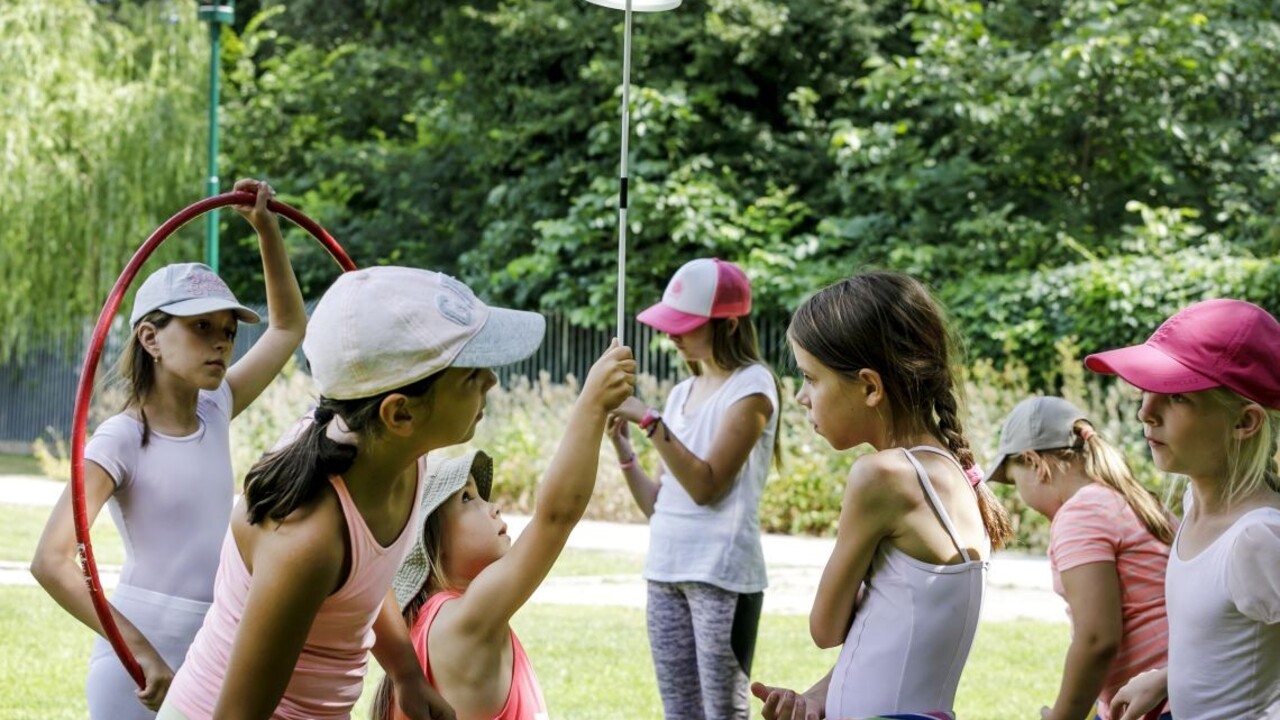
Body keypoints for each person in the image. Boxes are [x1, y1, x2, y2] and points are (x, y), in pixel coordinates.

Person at [158, 266, 547, 720]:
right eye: (470, 374)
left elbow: (364, 579)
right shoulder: (307, 538)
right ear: (400, 414)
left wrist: (406, 673)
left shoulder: (397, 456)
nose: (491, 381)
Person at [30, 180, 305, 719]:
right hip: (138, 665)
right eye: (201, 327)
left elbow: (288, 326)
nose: (221, 342)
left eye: (227, 330)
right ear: (151, 339)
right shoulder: (121, 438)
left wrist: (266, 229)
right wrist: (140, 651)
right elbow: (50, 561)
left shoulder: (217, 407)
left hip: (213, 645)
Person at [751, 271, 1013, 720]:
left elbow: (825, 628)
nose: (800, 397)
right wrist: (817, 696)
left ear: (870, 387)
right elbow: (893, 626)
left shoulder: (884, 477)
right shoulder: (952, 473)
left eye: (811, 378)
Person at [372, 339, 635, 720]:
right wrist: (592, 402)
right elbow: (555, 519)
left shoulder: (440, 625)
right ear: (433, 543)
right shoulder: (460, 623)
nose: (492, 506)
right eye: (467, 499)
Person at [1085, 299, 1280, 720]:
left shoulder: (1258, 539)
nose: (1145, 412)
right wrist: (1167, 679)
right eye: (1146, 390)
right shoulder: (1196, 503)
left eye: (1176, 396)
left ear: (1244, 423)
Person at [606, 257, 780, 719]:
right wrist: (625, 449)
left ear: (728, 324)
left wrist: (648, 420)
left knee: (722, 713)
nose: (671, 334)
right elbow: (657, 505)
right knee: (679, 712)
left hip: (721, 575)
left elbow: (706, 487)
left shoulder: (753, 387)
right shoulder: (682, 392)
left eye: (685, 325)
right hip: (665, 569)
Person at [985, 396, 1174, 720]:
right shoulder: (1135, 500)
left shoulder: (1080, 514)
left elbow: (1097, 639)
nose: (1020, 494)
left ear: (1034, 463)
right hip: (1172, 692)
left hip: (1154, 708)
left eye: (1015, 482)